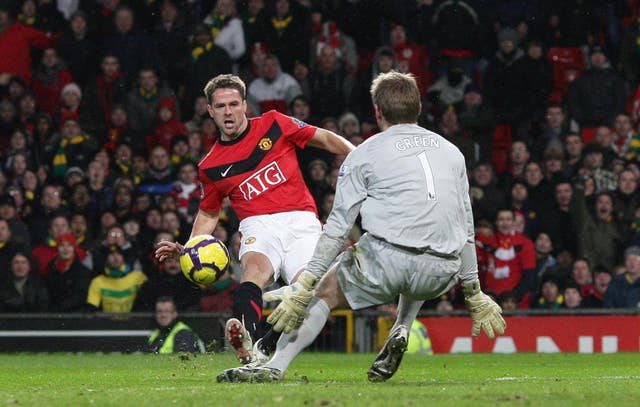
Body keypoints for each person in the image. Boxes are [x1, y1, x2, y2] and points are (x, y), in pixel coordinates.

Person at [216, 71, 505, 383]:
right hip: (441, 273)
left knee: (325, 291)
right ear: (418, 108)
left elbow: (338, 228)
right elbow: (466, 226)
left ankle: (275, 365)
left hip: (389, 263)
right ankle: (402, 328)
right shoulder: (453, 152)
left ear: (377, 111)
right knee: (424, 244)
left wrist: (308, 285)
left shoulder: (364, 153)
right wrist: (473, 290)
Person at [155, 74, 354, 364]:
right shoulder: (210, 165)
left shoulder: (275, 123)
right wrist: (191, 246)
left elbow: (322, 137)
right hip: (257, 223)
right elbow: (209, 211)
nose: (228, 111)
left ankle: (265, 345)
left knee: (308, 293)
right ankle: (246, 344)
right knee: (254, 272)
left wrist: (359, 154)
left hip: (302, 221)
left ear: (245, 105)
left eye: (234, 104)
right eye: (220, 106)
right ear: (210, 111)